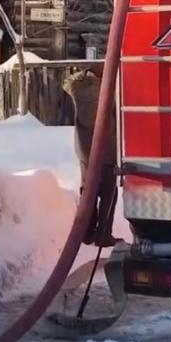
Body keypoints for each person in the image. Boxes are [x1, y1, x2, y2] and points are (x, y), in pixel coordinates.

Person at [62, 67, 118, 247]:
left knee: (89, 189)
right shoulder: (107, 89)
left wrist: (83, 73)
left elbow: (66, 83)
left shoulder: (77, 88)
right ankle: (103, 234)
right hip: (107, 148)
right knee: (109, 191)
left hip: (85, 149)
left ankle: (86, 232)